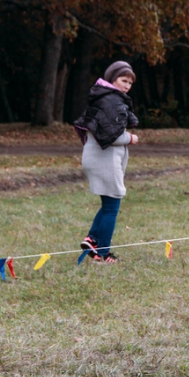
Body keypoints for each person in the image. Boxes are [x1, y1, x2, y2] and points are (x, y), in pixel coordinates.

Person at [74, 61, 139, 263]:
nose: (127, 85)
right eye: (123, 80)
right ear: (112, 79)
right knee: (112, 206)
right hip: (105, 160)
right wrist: (130, 138)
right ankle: (103, 254)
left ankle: (92, 239)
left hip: (95, 158)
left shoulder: (101, 98)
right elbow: (110, 136)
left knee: (108, 204)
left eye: (130, 82)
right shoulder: (113, 102)